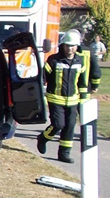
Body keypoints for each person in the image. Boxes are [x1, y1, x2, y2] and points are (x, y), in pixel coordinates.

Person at [37, 29, 101, 163]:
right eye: (67, 46)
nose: (70, 49)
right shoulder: (53, 60)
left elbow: (82, 82)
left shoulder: (80, 61)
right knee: (58, 124)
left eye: (72, 46)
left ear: (77, 46)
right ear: (63, 46)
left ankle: (64, 154)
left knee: (70, 126)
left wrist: (85, 97)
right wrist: (40, 94)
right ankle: (43, 138)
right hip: (55, 99)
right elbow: (43, 77)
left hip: (73, 100)